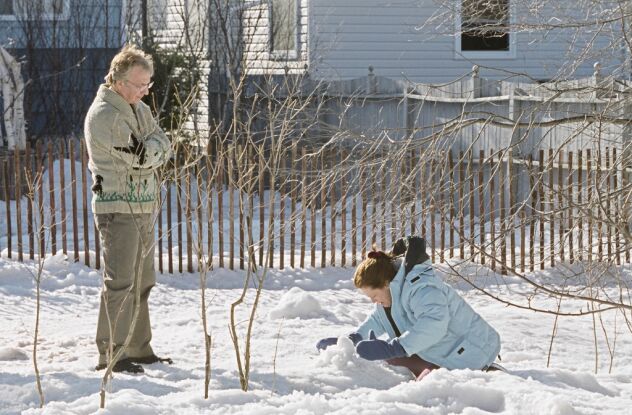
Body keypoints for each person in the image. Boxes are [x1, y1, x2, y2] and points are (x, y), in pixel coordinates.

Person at [85, 45, 173, 374]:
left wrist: (155, 148)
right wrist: (154, 150)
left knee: (142, 280)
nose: (146, 91)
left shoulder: (139, 109)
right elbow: (141, 157)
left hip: (142, 205)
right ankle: (112, 353)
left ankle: (138, 346)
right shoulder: (105, 115)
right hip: (117, 207)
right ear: (120, 81)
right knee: (120, 282)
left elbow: (162, 142)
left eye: (149, 84)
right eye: (140, 85)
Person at [317, 236, 502, 379]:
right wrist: (354, 339)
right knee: (388, 360)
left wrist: (396, 347)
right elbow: (378, 320)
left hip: (470, 354)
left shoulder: (421, 287)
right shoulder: (392, 293)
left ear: (386, 283)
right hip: (438, 353)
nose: (374, 301)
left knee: (429, 386)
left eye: (374, 296)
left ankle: (491, 371)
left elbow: (434, 325)